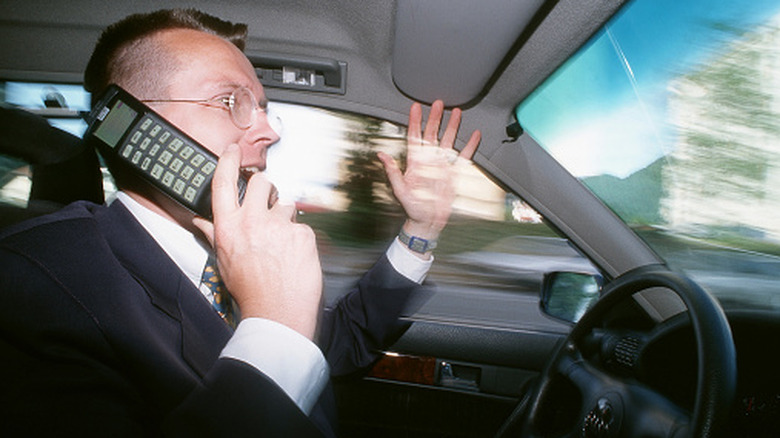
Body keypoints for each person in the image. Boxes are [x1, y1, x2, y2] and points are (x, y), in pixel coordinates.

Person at [0, 8, 481, 437]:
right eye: (233, 101)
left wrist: (421, 229)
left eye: (266, 109)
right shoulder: (32, 284)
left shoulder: (242, 255)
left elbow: (345, 341)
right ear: (133, 124)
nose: (270, 131)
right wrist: (272, 326)